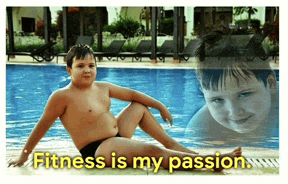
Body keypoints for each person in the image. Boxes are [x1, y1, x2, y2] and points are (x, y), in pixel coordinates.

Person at [9, 44, 241, 171]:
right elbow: (42, 126)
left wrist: (160, 105)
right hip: (97, 150)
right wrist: (24, 155)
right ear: (69, 70)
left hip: (117, 136)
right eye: (81, 66)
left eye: (92, 65)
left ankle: (198, 157)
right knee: (152, 151)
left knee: (139, 106)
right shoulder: (62, 96)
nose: (88, 70)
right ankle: (211, 162)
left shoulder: (102, 87)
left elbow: (133, 95)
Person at [185, 31, 279, 145]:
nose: (233, 112)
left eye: (244, 94)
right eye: (217, 100)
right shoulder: (200, 132)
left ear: (271, 83)